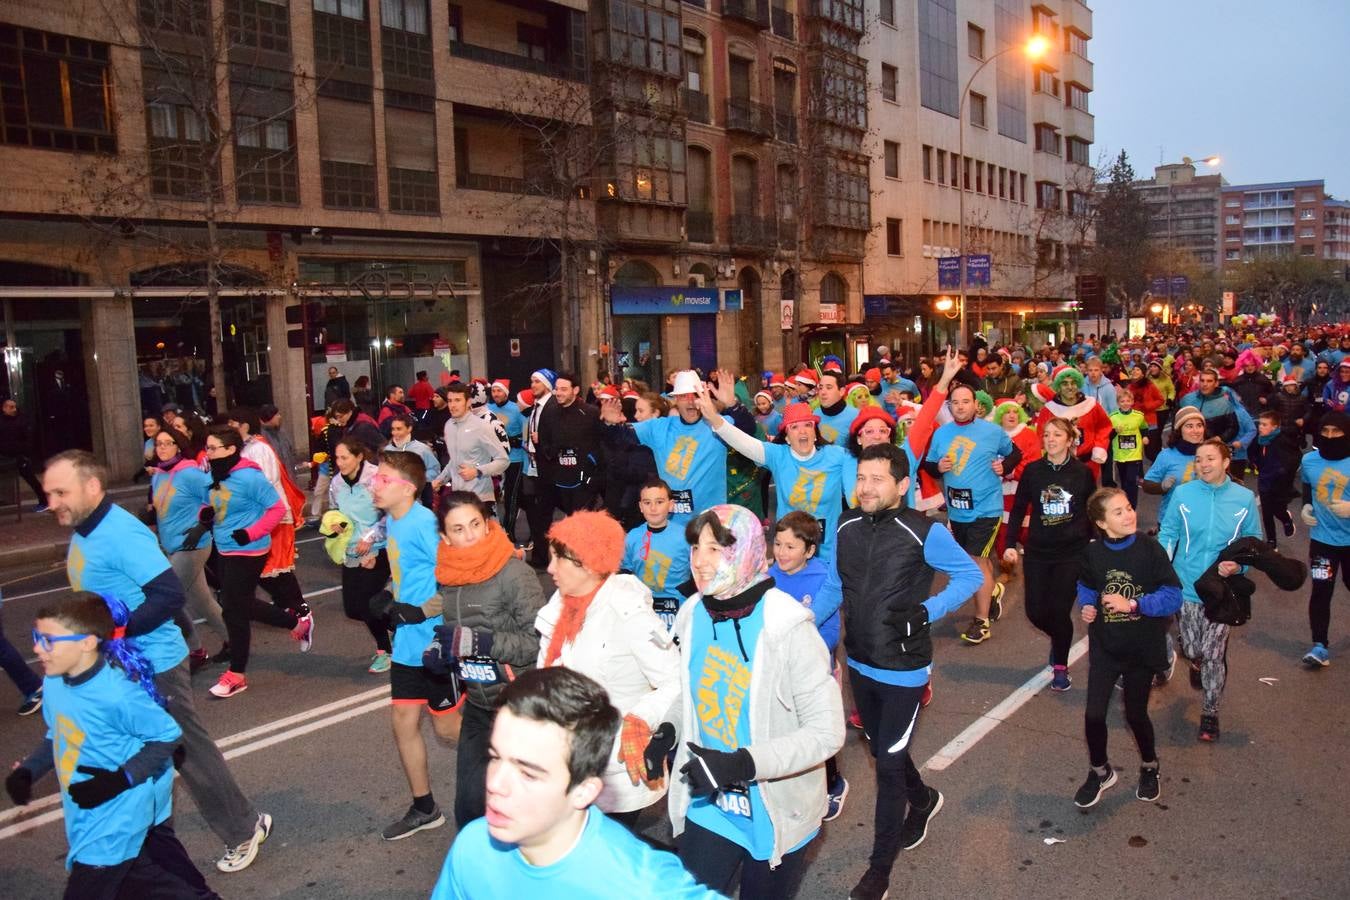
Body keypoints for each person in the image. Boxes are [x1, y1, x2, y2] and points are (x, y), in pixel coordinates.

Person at [42, 450, 271, 873]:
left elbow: (168, 595)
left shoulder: (120, 534)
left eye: (61, 492)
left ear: (91, 487)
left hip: (154, 666)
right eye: (48, 493)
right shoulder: (83, 534)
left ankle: (244, 827)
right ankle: (138, 847)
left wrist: (108, 636)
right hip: (119, 667)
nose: (52, 501)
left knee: (187, 752)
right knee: (130, 757)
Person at [640, 504, 842, 899]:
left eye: (716, 549)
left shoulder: (789, 628)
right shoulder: (694, 612)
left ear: (747, 551)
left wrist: (740, 763)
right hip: (710, 801)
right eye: (697, 548)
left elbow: (826, 732)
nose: (700, 561)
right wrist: (668, 730)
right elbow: (694, 686)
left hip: (774, 808)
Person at [428, 666, 718, 900]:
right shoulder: (473, 846)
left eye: (528, 773)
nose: (495, 784)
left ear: (584, 791)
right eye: (495, 757)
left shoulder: (641, 885)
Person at [836, 444, 983, 900]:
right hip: (859, 661)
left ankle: (878, 873)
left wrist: (926, 611)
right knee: (884, 753)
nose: (866, 486)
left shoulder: (925, 531)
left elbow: (970, 575)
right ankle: (924, 799)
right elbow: (830, 583)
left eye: (878, 479)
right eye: (862, 477)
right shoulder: (844, 525)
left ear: (903, 486)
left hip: (903, 670)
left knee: (888, 767)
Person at [7, 592, 221, 899]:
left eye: (48, 640)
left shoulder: (116, 693)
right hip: (87, 815)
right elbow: (59, 734)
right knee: (153, 879)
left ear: (87, 643)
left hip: (113, 820)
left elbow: (168, 736)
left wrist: (118, 780)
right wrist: (29, 771)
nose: (36, 648)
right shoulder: (55, 683)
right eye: (36, 637)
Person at [535, 509, 681, 829]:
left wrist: (642, 719)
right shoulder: (557, 610)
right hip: (566, 761)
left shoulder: (629, 614)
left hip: (615, 769)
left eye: (558, 560)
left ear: (587, 563)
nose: (549, 570)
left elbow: (676, 680)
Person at [421, 491, 545, 828]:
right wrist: (440, 648)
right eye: (458, 529)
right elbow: (455, 626)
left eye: (476, 524)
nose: (470, 534)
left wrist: (480, 642)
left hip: (521, 706)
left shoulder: (513, 573)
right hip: (477, 702)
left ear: (488, 525)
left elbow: (538, 641)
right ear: (445, 537)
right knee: (471, 806)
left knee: (525, 810)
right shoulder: (449, 572)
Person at [1073, 489, 1183, 808]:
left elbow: (1173, 596)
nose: (1129, 515)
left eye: (1129, 508)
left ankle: (1150, 766)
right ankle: (1100, 771)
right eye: (1118, 512)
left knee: (1135, 714)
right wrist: (1088, 605)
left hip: (1142, 648)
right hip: (1106, 646)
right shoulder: (1093, 553)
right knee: (1094, 715)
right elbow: (1087, 584)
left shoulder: (1150, 549)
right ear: (1101, 523)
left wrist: (1134, 603)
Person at [370, 450, 456, 841]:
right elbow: (408, 571)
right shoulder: (393, 520)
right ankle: (425, 807)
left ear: (407, 488)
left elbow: (454, 579)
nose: (375, 484)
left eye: (383, 479)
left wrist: (421, 611)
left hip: (436, 643)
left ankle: (516, 762)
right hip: (406, 645)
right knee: (403, 723)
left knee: (451, 730)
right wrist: (388, 594)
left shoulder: (425, 524)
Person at [1157, 438, 1263, 742]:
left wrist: (1239, 567)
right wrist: (1162, 569)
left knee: (1215, 653)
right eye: (1199, 459)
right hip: (1186, 584)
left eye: (1210, 459)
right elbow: (1168, 533)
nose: (1203, 465)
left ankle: (1210, 712)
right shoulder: (1183, 493)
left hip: (1222, 590)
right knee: (1193, 649)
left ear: (1226, 462)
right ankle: (1195, 660)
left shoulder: (1243, 499)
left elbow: (1253, 542)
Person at [202, 427, 312, 699]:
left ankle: (237, 673)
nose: (208, 452)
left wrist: (251, 532)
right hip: (225, 548)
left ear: (230, 449)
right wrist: (206, 514)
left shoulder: (249, 476)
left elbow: (277, 509)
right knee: (234, 607)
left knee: (234, 606)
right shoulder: (215, 475)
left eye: (213, 447)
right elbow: (219, 505)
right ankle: (294, 624)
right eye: (207, 447)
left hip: (250, 549)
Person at [701, 381, 853, 564]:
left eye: (808, 425)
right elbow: (742, 442)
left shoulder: (837, 456)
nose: (802, 431)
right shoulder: (779, 456)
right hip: (789, 556)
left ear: (815, 432)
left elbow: (856, 497)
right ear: (787, 437)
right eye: (794, 427)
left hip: (828, 556)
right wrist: (715, 418)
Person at [922, 383, 1022, 645]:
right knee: (978, 561)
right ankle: (993, 590)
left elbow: (1015, 453)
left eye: (966, 401)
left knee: (975, 562)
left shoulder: (992, 431)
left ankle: (981, 622)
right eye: (955, 402)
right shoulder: (942, 434)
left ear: (976, 405)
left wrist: (1004, 466)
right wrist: (938, 467)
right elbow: (930, 465)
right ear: (950, 406)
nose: (961, 406)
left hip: (986, 508)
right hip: (957, 511)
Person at [1005, 417, 1097, 692]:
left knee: (1058, 610)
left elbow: (1093, 510)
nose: (1050, 439)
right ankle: (1060, 640)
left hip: (1072, 552)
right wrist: (1011, 543)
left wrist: (1096, 542)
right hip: (1037, 551)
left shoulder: (1083, 473)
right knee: (1035, 612)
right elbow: (1019, 508)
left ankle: (1060, 665)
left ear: (1070, 440)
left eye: (1057, 435)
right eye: (1046, 435)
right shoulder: (1033, 471)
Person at [766, 511, 848, 819]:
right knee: (786, 733)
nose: (781, 553)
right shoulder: (767, 578)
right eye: (777, 544)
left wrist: (797, 650)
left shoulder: (823, 579)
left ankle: (834, 784)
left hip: (813, 674)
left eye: (790, 547)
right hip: (776, 673)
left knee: (816, 732)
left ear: (810, 550)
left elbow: (828, 635)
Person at [598, 369, 754, 528]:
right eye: (684, 396)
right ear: (676, 400)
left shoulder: (716, 423)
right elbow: (620, 438)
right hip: (671, 524)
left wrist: (731, 404)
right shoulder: (659, 427)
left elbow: (748, 430)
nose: (691, 401)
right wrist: (610, 424)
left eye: (695, 395)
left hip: (709, 523)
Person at [227, 407, 313, 642]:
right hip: (253, 520)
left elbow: (265, 482)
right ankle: (294, 609)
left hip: (270, 518)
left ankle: (300, 610)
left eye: (232, 424)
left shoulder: (258, 448)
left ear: (244, 425)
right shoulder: (244, 449)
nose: (229, 429)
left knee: (274, 568)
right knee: (264, 571)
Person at [148, 427, 227, 672]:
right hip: (172, 546)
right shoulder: (160, 473)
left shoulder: (190, 472)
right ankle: (235, 640)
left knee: (169, 599)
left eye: (166, 443)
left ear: (178, 446)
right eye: (157, 444)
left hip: (192, 546)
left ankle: (195, 651)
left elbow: (218, 498)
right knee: (203, 602)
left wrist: (203, 526)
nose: (160, 448)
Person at [327, 436, 392, 673]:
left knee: (368, 606)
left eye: (344, 457)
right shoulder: (336, 483)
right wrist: (337, 526)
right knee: (352, 609)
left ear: (359, 457)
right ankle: (402, 625)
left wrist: (371, 537)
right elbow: (335, 512)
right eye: (337, 457)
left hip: (378, 549)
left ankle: (385, 651)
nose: (340, 462)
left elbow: (390, 514)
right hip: (351, 550)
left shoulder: (376, 478)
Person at [1298, 411, 1350, 667]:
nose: (1330, 436)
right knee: (1321, 591)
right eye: (1325, 431)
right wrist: (1306, 506)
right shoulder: (1309, 461)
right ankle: (1319, 646)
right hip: (1322, 542)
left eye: (1336, 432)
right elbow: (1308, 487)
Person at [621, 478, 693, 631]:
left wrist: (688, 594)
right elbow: (624, 573)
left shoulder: (685, 536)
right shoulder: (632, 537)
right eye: (647, 503)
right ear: (641, 507)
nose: (653, 508)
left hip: (679, 609)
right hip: (644, 610)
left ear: (671, 505)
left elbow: (699, 570)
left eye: (659, 502)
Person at [432, 382, 509, 515]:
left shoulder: (482, 427)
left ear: (468, 402)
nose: (453, 405)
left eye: (457, 400)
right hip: (458, 498)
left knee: (486, 536)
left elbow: (503, 460)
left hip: (481, 498)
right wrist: (441, 479)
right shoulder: (449, 426)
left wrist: (477, 471)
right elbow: (455, 460)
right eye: (450, 400)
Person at [1032, 367, 1112, 482]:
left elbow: (1104, 427)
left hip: (1088, 463)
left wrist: (1099, 446)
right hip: (1058, 466)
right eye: (1065, 384)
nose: (1070, 387)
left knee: (1088, 497)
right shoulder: (1049, 409)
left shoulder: (1091, 405)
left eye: (1073, 383)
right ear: (1058, 387)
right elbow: (1041, 436)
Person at [1141, 405, 1206, 531]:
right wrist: (1162, 487)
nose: (1196, 430)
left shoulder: (1210, 453)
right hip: (1171, 522)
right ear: (1179, 430)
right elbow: (1147, 484)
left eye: (1199, 425)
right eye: (1189, 426)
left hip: (1202, 522)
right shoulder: (1167, 455)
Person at [1250, 410, 1302, 546]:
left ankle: (1286, 519)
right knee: (1266, 513)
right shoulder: (1259, 440)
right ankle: (1272, 541)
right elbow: (1252, 452)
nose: (1260, 427)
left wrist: (1282, 470)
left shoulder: (1283, 441)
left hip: (1280, 484)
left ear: (1274, 427)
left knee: (1277, 509)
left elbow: (1295, 458)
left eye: (1264, 425)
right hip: (1264, 482)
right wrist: (1256, 463)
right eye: (1260, 424)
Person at [487, 378, 527, 535]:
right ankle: (492, 530)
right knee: (491, 496)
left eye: (499, 391)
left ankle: (509, 532)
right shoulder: (488, 409)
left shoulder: (516, 409)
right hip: (492, 460)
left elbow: (526, 433)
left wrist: (516, 440)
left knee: (511, 497)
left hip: (514, 459)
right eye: (494, 391)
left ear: (506, 393)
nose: (496, 394)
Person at [0, 397, 48, 510]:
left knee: (30, 478)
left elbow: (27, 439)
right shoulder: (1, 421)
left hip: (19, 455)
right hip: (4, 456)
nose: (14, 409)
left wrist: (25, 453)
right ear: (4, 408)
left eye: (14, 407)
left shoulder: (21, 421)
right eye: (11, 407)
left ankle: (44, 501)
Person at [387, 414, 440, 508]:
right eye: (393, 429)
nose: (395, 432)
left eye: (399, 429)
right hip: (393, 501)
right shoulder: (387, 450)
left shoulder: (422, 449)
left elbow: (435, 470)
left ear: (409, 429)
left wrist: (417, 479)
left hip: (418, 501)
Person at [1108, 388, 1148, 509]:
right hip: (1120, 455)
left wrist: (1145, 436)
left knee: (1132, 482)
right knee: (1124, 482)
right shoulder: (1112, 417)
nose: (1125, 403)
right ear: (1118, 403)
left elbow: (1144, 428)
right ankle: (1126, 504)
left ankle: (1132, 507)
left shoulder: (1139, 416)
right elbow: (1108, 436)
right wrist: (1115, 431)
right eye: (1122, 401)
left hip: (1134, 454)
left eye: (1128, 400)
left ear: (1132, 401)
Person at [813, 370, 859, 446]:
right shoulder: (815, 414)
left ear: (841, 391)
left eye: (828, 388)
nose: (823, 392)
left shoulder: (855, 416)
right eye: (820, 388)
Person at [258, 404, 299, 476]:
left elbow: (291, 451)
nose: (279, 417)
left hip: (289, 475)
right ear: (269, 417)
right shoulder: (261, 437)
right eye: (276, 415)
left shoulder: (282, 432)